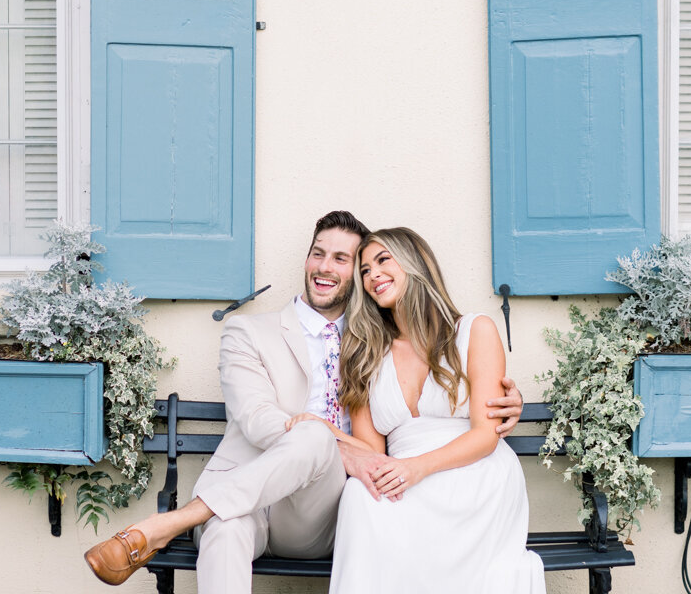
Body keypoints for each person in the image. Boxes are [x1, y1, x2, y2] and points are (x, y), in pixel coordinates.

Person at [83, 212, 526, 591]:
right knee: (224, 527)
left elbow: (412, 432)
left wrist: (497, 401)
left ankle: (166, 524)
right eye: (318, 252)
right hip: (248, 493)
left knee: (312, 437)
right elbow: (258, 421)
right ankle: (187, 521)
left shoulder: (365, 344)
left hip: (319, 510)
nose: (326, 267)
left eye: (344, 259)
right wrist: (322, 437)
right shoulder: (248, 332)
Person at [301, 227, 545, 592]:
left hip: (471, 471)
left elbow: (485, 437)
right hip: (398, 475)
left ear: (417, 263)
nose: (372, 276)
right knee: (359, 497)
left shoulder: (474, 330)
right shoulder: (365, 352)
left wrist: (415, 469)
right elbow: (371, 454)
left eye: (383, 260)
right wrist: (323, 430)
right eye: (364, 270)